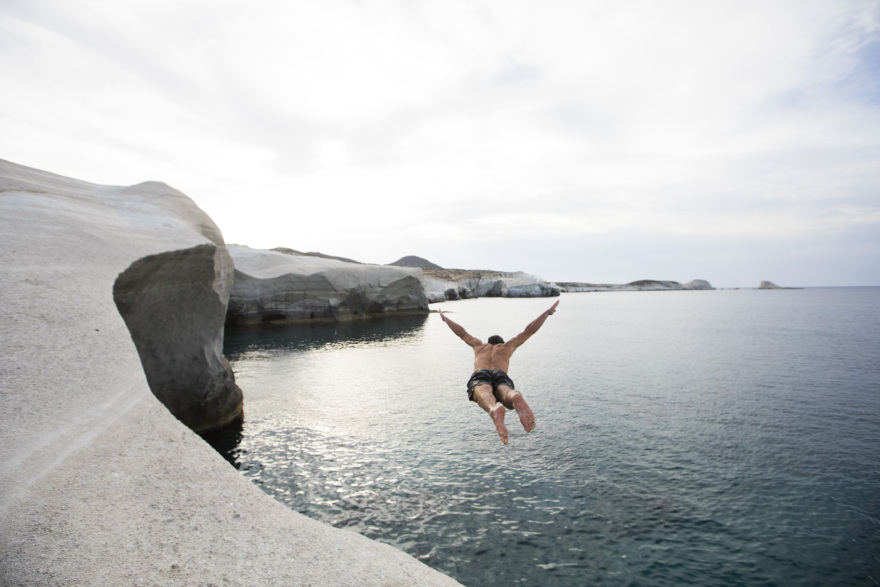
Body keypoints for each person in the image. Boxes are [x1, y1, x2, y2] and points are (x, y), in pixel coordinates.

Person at [439, 300, 559, 444]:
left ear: (488, 342)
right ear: (500, 343)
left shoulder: (479, 345)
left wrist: (446, 319)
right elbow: (529, 330)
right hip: (501, 374)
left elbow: (462, 333)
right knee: (505, 390)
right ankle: (514, 396)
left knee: (482, 391)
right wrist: (547, 313)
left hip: (481, 373)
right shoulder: (507, 346)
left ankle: (493, 409)